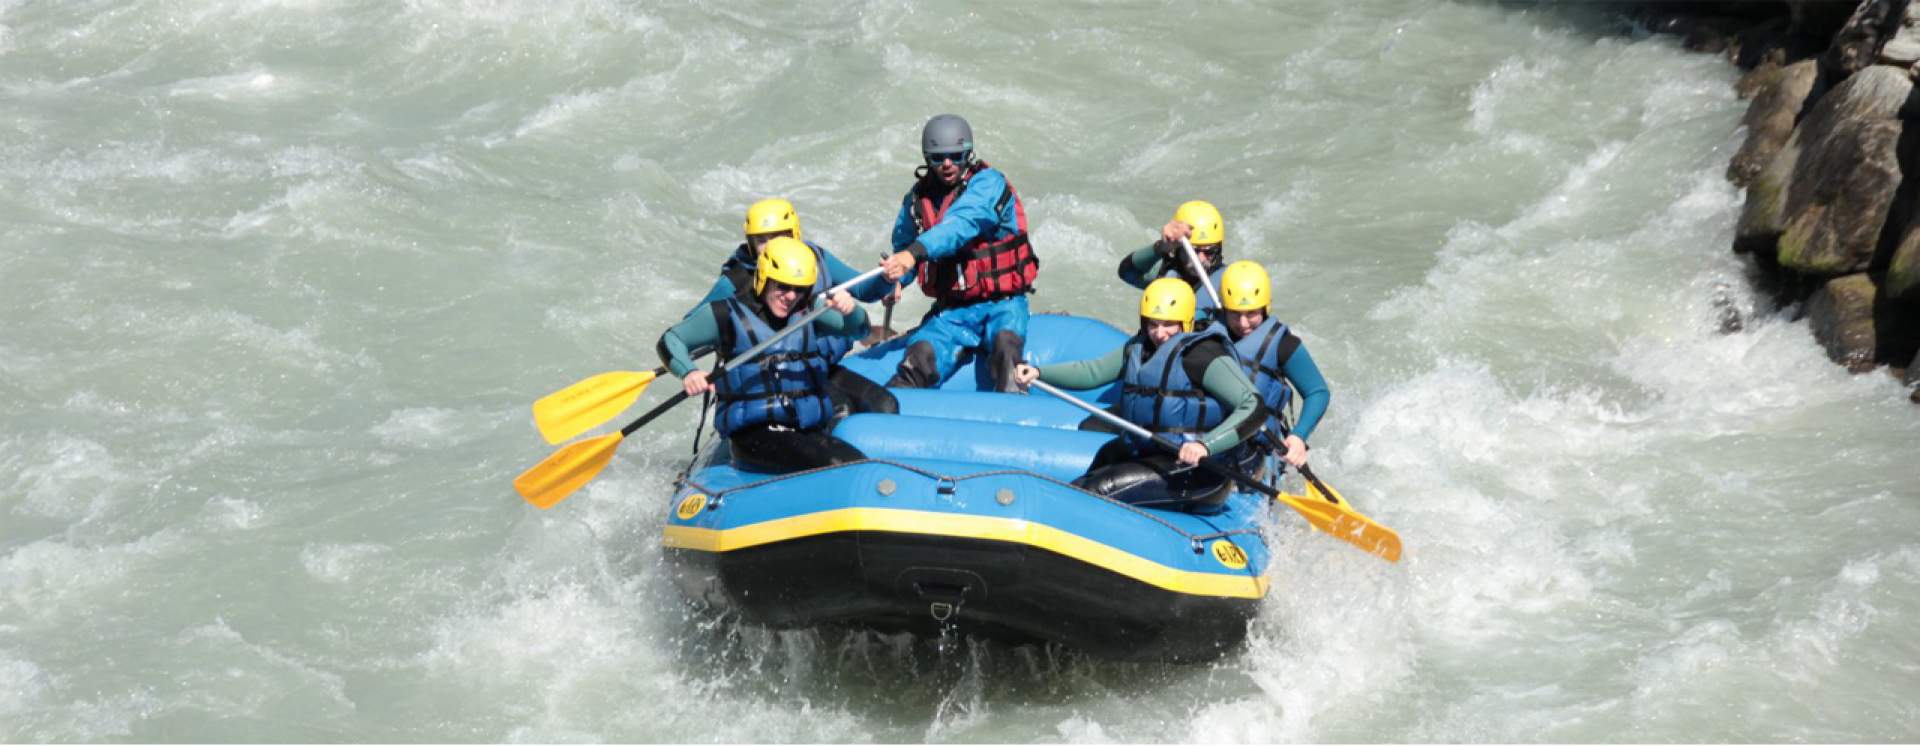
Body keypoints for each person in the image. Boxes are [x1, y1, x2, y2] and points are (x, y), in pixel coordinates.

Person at [1013, 279, 1266, 508]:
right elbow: (1093, 372)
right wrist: (1039, 372)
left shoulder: (1201, 355)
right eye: (1153, 324)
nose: (1159, 333)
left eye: (1169, 324)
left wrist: (1204, 446)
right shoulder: (1138, 346)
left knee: (1101, 488)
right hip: (1152, 452)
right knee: (1104, 459)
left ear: (1186, 321)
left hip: (1198, 469)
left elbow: (1254, 405)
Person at [657, 237, 895, 473]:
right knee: (844, 466)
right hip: (755, 434)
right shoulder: (724, 314)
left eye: (798, 289)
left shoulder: (809, 311)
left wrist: (851, 311)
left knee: (858, 463)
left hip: (804, 428)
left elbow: (858, 330)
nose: (790, 296)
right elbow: (671, 340)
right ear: (764, 278)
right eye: (782, 286)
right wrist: (688, 372)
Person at [879, 114, 1039, 392]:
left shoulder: (989, 185)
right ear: (927, 158)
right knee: (918, 360)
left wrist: (913, 254)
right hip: (953, 311)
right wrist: (897, 280)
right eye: (938, 158)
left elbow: (960, 225)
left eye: (956, 156)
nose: (947, 164)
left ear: (969, 154)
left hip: (1002, 304)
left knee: (1007, 352)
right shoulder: (917, 201)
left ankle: (1013, 404)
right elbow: (904, 249)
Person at [1215, 261, 1330, 474]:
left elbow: (1317, 392)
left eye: (1251, 313)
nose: (1243, 323)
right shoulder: (1207, 332)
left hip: (1258, 446)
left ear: (1265, 307)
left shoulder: (1283, 344)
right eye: (1235, 314)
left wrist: (1298, 436)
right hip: (1210, 440)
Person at [690, 198, 891, 318]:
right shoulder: (736, 280)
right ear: (750, 243)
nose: (771, 246)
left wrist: (887, 279)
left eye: (778, 237)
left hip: (814, 359)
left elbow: (865, 290)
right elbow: (690, 325)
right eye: (761, 240)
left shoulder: (815, 257)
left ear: (794, 235)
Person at [1117, 200, 1228, 320]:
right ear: (1178, 249)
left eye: (1209, 251)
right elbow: (1127, 272)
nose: (1201, 259)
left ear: (1218, 250)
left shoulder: (1226, 282)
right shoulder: (1167, 272)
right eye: (1193, 250)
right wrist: (1160, 248)